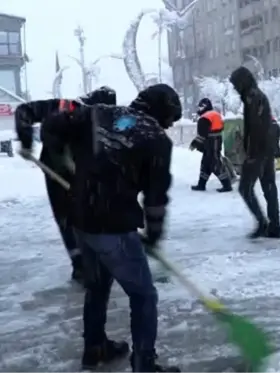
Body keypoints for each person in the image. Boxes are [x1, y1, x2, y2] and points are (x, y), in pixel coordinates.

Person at [33, 84, 182, 373]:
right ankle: (144, 364)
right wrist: (153, 234)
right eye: (171, 119)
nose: (170, 125)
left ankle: (95, 347)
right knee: (144, 295)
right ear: (163, 112)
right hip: (113, 227)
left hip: (82, 221)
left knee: (98, 286)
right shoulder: (156, 140)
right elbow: (155, 198)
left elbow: (52, 124)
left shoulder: (98, 114)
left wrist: (66, 165)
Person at [14, 86, 117, 285]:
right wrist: (26, 142)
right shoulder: (61, 106)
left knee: (93, 215)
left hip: (85, 172)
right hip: (56, 173)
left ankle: (101, 260)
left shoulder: (105, 120)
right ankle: (80, 265)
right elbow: (23, 111)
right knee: (67, 219)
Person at [229, 66, 280, 239]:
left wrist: (252, 155)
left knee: (245, 188)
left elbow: (257, 128)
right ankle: (274, 227)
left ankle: (263, 223)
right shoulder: (254, 96)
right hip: (264, 150)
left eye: (236, 84)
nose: (235, 88)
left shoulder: (253, 98)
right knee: (269, 188)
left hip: (258, 152)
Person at [189, 98, 233, 192]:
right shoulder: (215, 114)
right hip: (216, 141)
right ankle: (201, 185)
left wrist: (194, 144)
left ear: (204, 107)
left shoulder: (205, 118)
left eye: (200, 106)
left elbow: (202, 135)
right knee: (206, 163)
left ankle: (227, 185)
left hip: (210, 143)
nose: (199, 109)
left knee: (215, 164)